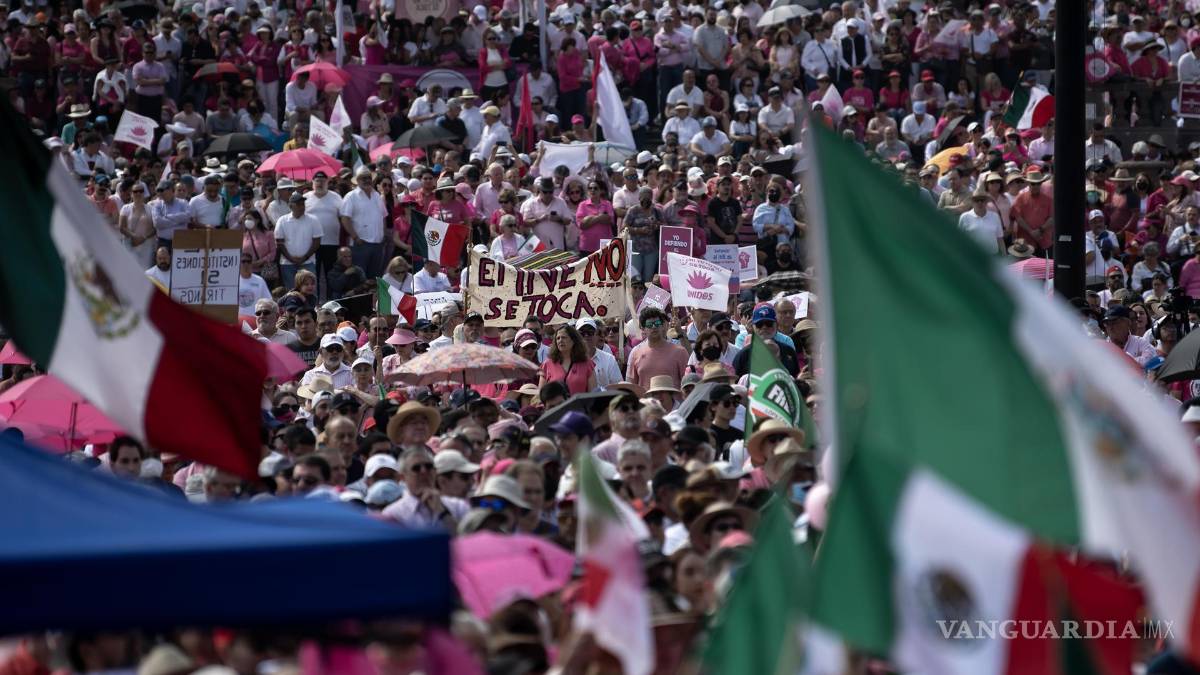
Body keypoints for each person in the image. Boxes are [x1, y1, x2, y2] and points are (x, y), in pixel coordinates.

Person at [627, 307, 690, 389]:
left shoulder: (680, 352)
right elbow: (631, 386)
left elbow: (688, 385)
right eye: (649, 325)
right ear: (643, 328)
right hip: (645, 397)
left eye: (657, 323)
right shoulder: (635, 353)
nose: (654, 327)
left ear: (662, 325)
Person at [274, 192, 322, 288]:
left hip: (308, 263)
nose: (302, 207)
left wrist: (305, 258)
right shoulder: (282, 220)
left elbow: (317, 242)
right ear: (291, 206)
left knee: (309, 291)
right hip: (287, 264)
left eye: (303, 204)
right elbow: (279, 243)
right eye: (298, 204)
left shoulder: (313, 220)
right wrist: (291, 259)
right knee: (291, 291)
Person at [538, 324, 596, 395]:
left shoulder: (587, 364)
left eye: (564, 337)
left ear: (573, 340)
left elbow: (593, 394)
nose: (560, 340)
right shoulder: (547, 364)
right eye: (558, 338)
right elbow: (540, 395)